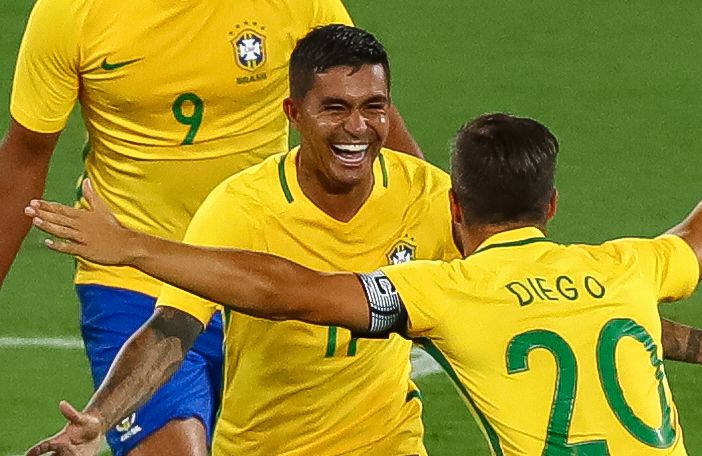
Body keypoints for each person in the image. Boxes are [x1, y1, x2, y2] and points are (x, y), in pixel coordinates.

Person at [24, 98, 702, 455]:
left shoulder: (442, 292)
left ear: (454, 207)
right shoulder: (623, 268)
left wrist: (134, 247)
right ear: (555, 203)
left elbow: (280, 286)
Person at [0, 1, 424, 455]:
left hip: (270, 280)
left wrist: (435, 224)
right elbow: (24, 157)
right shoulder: (72, 13)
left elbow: (362, 103)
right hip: (134, 274)